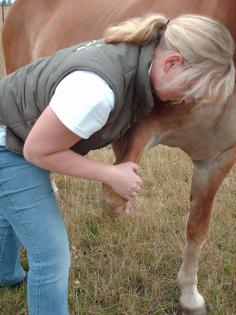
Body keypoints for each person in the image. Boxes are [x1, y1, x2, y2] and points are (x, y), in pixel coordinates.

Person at [0, 13, 234, 315]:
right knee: (51, 257)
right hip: (10, 144)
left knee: (13, 208)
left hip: (21, 129)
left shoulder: (141, 57)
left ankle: (7, 275)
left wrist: (120, 173)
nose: (191, 101)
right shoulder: (97, 92)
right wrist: (109, 173)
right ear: (172, 63)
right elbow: (37, 152)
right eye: (194, 90)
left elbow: (120, 120)